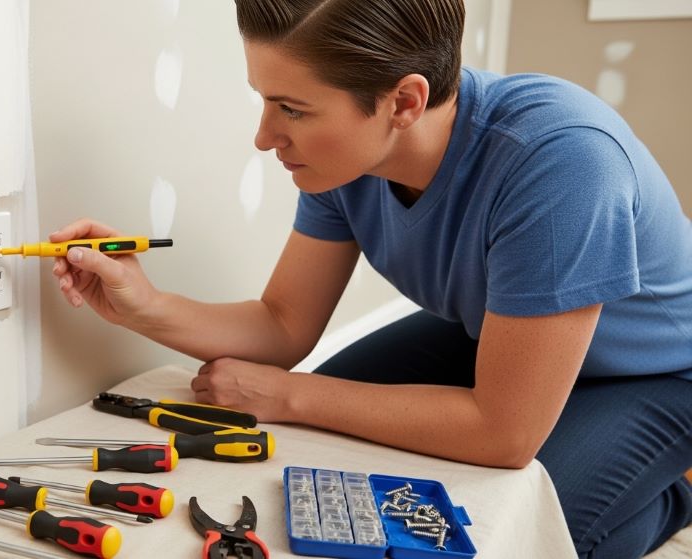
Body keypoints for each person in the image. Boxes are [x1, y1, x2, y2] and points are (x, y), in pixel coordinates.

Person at [50, 1, 692, 556]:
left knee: (513, 535)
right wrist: (144, 305)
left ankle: (674, 494)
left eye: (291, 109)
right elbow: (282, 325)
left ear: (404, 102)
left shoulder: (561, 163)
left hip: (657, 371)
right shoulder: (350, 163)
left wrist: (286, 394)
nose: (264, 136)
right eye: (264, 100)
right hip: (492, 329)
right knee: (310, 444)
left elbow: (505, 434)